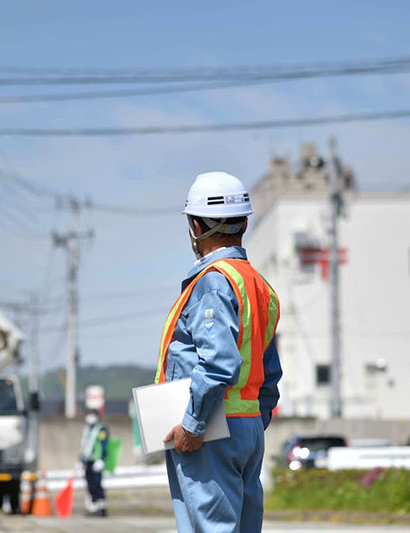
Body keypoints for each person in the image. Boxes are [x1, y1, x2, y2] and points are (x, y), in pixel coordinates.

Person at [158, 171, 282, 533]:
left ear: (196, 226)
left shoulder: (214, 280)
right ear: (244, 221)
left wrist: (194, 425)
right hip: (248, 427)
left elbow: (217, 363)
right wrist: (254, 424)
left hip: (212, 426)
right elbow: (269, 373)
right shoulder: (259, 286)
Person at [77, 409, 109, 517]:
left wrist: (101, 459)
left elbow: (103, 444)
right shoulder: (87, 429)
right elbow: (85, 446)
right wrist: (80, 461)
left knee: (97, 484)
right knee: (90, 485)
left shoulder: (101, 429)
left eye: (92, 415)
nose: (90, 417)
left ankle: (101, 507)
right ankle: (94, 507)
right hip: (88, 461)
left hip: (96, 461)